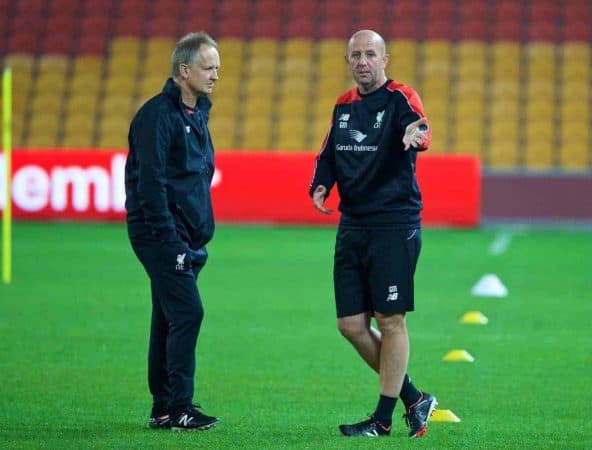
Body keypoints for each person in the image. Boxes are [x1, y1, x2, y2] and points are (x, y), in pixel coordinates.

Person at [309, 29, 437, 438]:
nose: (362, 61)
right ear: (348, 61)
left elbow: (421, 129)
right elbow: (329, 152)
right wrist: (320, 183)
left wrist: (414, 137)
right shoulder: (343, 105)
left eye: (370, 54)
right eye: (355, 55)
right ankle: (414, 397)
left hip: (393, 223)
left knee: (391, 319)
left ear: (385, 59)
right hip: (353, 224)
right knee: (350, 325)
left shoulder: (401, 97)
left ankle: (382, 420)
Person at [124, 31, 220, 432]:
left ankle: (163, 408)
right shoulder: (156, 117)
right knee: (188, 312)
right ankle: (180, 407)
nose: (216, 75)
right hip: (161, 235)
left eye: (218, 68)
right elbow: (152, 185)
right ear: (184, 71)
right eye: (208, 67)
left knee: (167, 316)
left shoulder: (197, 113)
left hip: (188, 236)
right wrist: (171, 242)